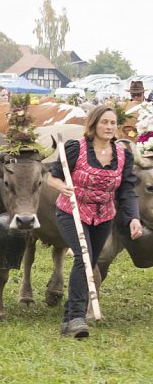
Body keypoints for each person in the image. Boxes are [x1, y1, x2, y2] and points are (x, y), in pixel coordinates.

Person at [46, 105, 142, 338]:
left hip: (104, 215)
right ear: (94, 124)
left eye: (112, 123)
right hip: (73, 211)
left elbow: (127, 191)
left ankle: (69, 318)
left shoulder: (122, 155)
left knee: (91, 259)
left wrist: (133, 218)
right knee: (84, 258)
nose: (109, 127)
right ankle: (78, 317)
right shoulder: (74, 149)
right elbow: (52, 177)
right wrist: (62, 187)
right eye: (104, 122)